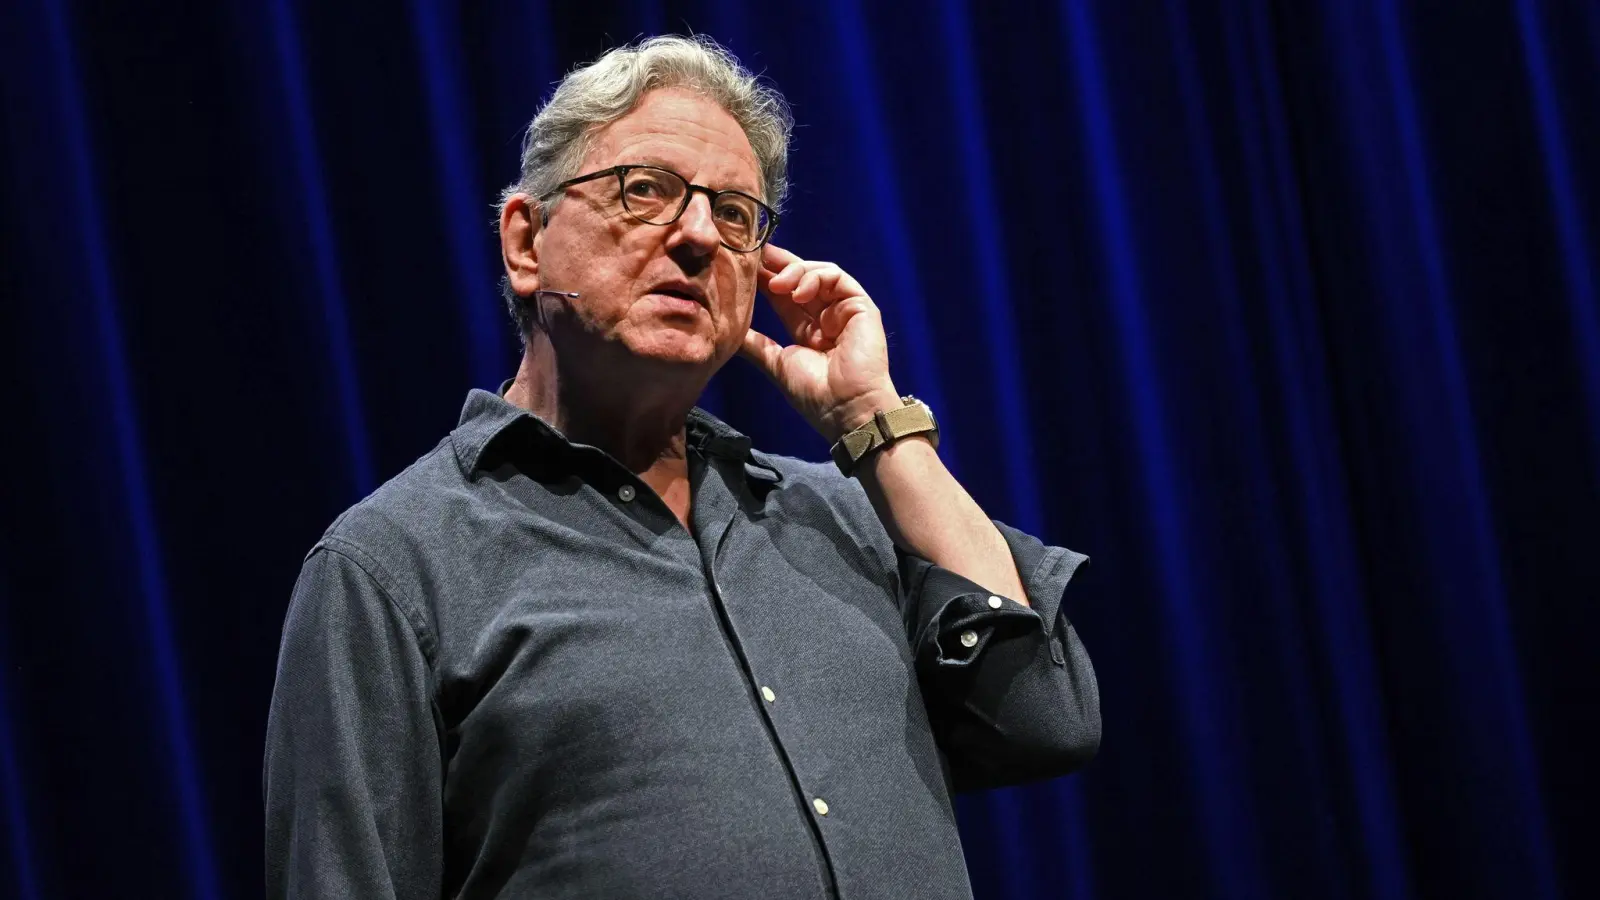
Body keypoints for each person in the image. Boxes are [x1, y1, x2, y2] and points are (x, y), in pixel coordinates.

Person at [264, 34, 1099, 900]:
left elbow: (1048, 719)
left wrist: (872, 423)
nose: (699, 234)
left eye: (735, 212)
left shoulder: (842, 513)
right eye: (646, 190)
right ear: (526, 242)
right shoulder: (394, 566)